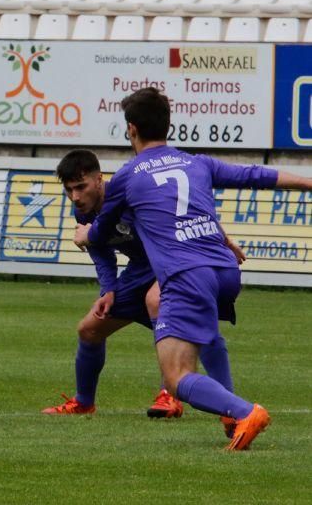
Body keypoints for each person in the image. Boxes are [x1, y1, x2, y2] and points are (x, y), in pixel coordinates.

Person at [74, 86, 312, 450]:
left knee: (176, 377)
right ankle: (234, 419)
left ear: (131, 129)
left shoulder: (127, 176)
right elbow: (255, 175)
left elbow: (103, 232)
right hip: (225, 270)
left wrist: (86, 234)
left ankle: (244, 411)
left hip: (188, 275)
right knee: (204, 334)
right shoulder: (196, 161)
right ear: (169, 126)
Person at [44, 149, 238, 422]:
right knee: (88, 329)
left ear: (99, 179)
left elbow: (182, 209)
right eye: (69, 190)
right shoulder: (83, 211)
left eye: (81, 187)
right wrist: (108, 290)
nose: (75, 197)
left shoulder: (129, 194)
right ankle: (84, 403)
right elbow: (100, 251)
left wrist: (222, 238)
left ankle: (171, 395)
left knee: (158, 302)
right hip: (138, 273)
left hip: (172, 265)